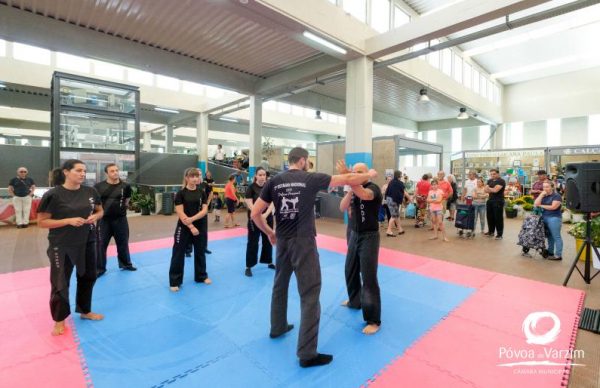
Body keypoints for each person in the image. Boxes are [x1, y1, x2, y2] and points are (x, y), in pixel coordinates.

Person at [250, 147, 377, 368]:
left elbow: (254, 214)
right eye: (307, 161)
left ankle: (277, 327)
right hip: (303, 242)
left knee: (279, 285)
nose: (308, 164)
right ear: (302, 161)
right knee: (310, 294)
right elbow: (347, 178)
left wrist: (270, 233)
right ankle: (307, 354)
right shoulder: (310, 178)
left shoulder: (274, 181)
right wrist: (370, 175)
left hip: (282, 241)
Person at [37, 159, 104, 336]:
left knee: (88, 276)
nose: (83, 174)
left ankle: (84, 310)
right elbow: (42, 222)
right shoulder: (53, 195)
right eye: (78, 170)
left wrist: (96, 217)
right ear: (66, 172)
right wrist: (68, 220)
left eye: (84, 171)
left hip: (88, 241)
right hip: (62, 245)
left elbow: (100, 210)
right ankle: (59, 320)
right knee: (61, 282)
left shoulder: (90, 191)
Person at [339, 163, 382, 335]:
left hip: (369, 237)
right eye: (354, 172)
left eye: (360, 172)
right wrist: (350, 186)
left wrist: (351, 181)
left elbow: (364, 195)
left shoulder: (374, 188)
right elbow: (342, 207)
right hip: (354, 234)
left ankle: (373, 320)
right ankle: (355, 301)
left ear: (366, 174)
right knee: (350, 269)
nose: (356, 175)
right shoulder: (353, 189)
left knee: (369, 277)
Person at [168, 168, 210, 292]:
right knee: (178, 252)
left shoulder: (202, 192)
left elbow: (204, 210)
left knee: (200, 251)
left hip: (200, 225)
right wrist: (190, 225)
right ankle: (175, 281)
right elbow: (180, 212)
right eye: (192, 176)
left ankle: (201, 276)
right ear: (186, 178)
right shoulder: (181, 194)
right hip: (184, 226)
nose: (195, 179)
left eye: (197, 176)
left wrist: (192, 219)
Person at [94, 164, 136, 276]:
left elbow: (127, 200)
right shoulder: (98, 186)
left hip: (120, 219)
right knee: (101, 245)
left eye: (117, 170)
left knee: (123, 243)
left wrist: (120, 209)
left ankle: (126, 264)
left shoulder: (125, 186)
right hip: (104, 220)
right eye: (112, 171)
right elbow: (96, 203)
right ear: (106, 173)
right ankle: (100, 269)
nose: (115, 173)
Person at [244, 167, 275, 276]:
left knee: (269, 239)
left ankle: (269, 261)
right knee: (253, 241)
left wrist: (265, 215)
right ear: (256, 176)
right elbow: (249, 203)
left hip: (268, 218)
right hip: (254, 219)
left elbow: (272, 203)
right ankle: (249, 266)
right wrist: (258, 215)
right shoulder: (251, 187)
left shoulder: (269, 187)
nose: (262, 177)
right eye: (260, 175)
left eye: (264, 175)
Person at [534, 181, 563, 261]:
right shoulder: (544, 195)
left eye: (547, 187)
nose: (545, 188)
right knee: (549, 236)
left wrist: (541, 205)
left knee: (556, 236)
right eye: (544, 187)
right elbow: (536, 204)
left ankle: (558, 255)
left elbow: (553, 207)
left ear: (552, 187)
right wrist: (541, 195)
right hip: (544, 217)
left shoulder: (557, 196)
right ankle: (550, 252)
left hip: (554, 218)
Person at [484, 169, 506, 240]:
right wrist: (491, 189)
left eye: (494, 174)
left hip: (498, 201)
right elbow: (485, 190)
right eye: (491, 174)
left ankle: (499, 234)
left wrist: (489, 188)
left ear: (498, 174)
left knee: (498, 218)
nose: (492, 175)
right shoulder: (489, 181)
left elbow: (495, 190)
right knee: (490, 217)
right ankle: (491, 232)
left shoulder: (501, 181)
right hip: (490, 200)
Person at [384, 170, 407, 237]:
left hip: (389, 199)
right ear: (399, 175)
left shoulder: (391, 182)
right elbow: (404, 192)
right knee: (394, 216)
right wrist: (409, 199)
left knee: (396, 215)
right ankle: (389, 230)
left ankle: (400, 229)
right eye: (401, 175)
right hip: (394, 200)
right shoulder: (400, 183)